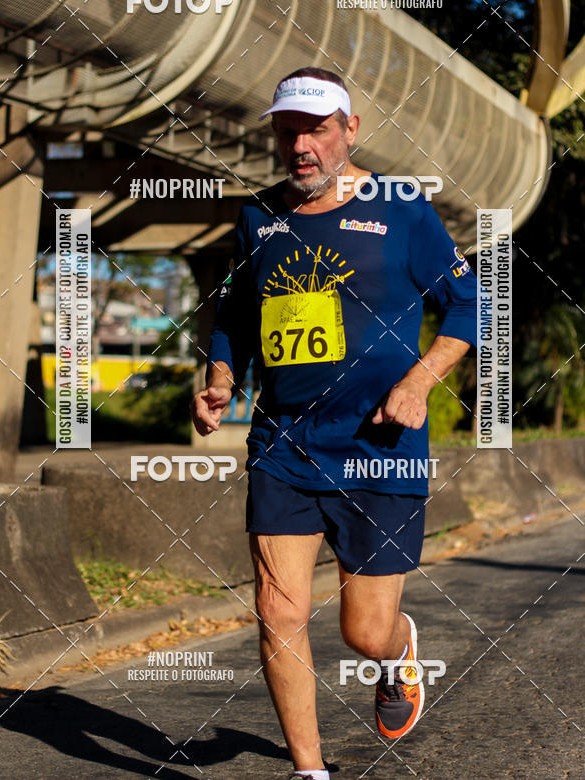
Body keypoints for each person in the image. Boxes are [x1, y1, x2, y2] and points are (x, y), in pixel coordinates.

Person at [191, 67, 478, 779]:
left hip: (381, 443)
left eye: (317, 129)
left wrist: (419, 382)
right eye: (288, 132)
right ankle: (309, 771)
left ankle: (399, 651)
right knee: (277, 610)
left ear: (350, 130)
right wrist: (221, 379)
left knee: (364, 630)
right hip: (284, 442)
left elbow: (473, 304)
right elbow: (236, 312)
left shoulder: (402, 207)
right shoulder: (258, 215)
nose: (301, 147)